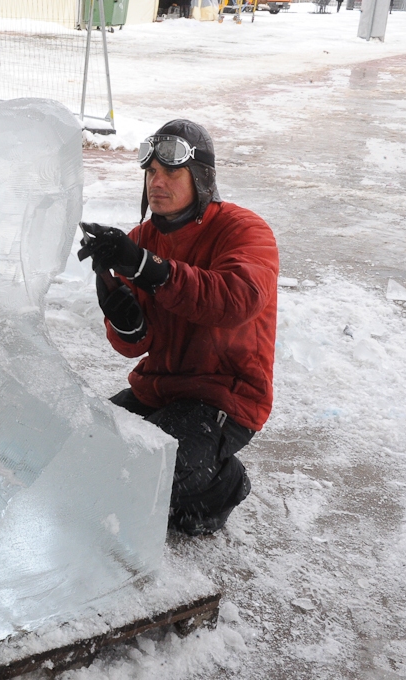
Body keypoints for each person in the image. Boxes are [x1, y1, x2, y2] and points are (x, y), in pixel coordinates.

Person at [78, 119, 278, 536]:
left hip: (223, 396)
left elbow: (236, 300)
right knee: (83, 455)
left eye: (171, 172)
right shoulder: (142, 237)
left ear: (201, 177)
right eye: (151, 172)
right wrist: (124, 319)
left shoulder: (245, 231)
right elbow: (135, 347)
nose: (158, 181)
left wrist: (150, 270)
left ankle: (223, 486)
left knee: (150, 476)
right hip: (161, 387)